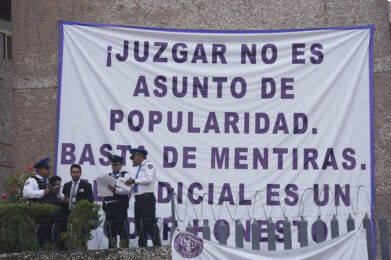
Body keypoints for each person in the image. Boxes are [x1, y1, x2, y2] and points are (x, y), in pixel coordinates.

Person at [23, 157, 65, 247]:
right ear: (39, 169)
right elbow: (26, 193)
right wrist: (42, 192)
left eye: (49, 168)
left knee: (52, 238)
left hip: (53, 216)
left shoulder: (50, 182)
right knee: (41, 238)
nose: (49, 170)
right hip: (40, 216)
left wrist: (57, 193)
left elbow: (62, 198)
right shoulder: (32, 181)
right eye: (46, 169)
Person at [125, 148, 161, 247]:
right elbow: (138, 183)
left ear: (139, 156)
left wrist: (134, 181)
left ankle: (157, 247)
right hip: (139, 201)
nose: (132, 160)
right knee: (139, 226)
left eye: (133, 157)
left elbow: (148, 179)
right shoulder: (140, 168)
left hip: (147, 200)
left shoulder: (149, 165)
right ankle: (142, 249)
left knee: (150, 224)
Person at [102, 155, 131, 248]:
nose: (114, 167)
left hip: (120, 207)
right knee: (111, 232)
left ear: (121, 165)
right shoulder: (108, 176)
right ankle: (112, 253)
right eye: (113, 165)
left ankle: (124, 253)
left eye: (116, 165)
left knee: (123, 232)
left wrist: (115, 189)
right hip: (109, 207)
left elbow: (127, 190)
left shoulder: (125, 175)